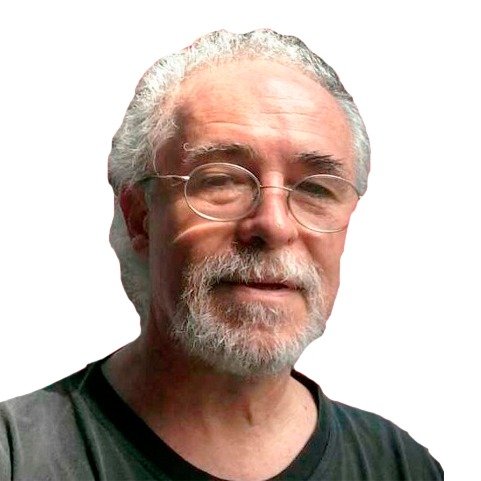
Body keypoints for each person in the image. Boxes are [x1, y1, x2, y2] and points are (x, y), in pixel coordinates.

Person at [0, 29, 443, 481]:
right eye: (221, 180)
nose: (274, 225)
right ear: (140, 218)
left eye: (315, 189)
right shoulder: (18, 458)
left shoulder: (401, 467)